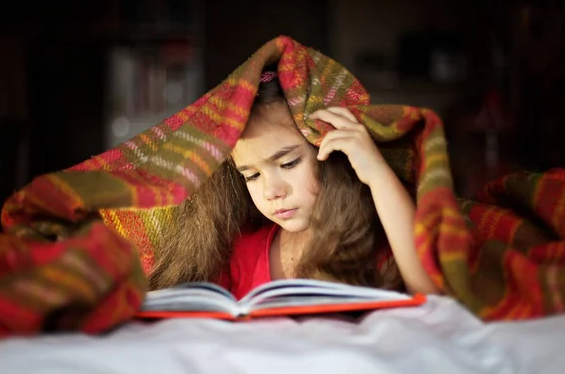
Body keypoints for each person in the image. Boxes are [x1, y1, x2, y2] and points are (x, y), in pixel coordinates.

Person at [149, 69, 440, 298]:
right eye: (251, 175)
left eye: (288, 164)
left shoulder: (374, 238)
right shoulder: (238, 252)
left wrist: (376, 173)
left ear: (332, 154)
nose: (271, 192)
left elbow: (431, 297)